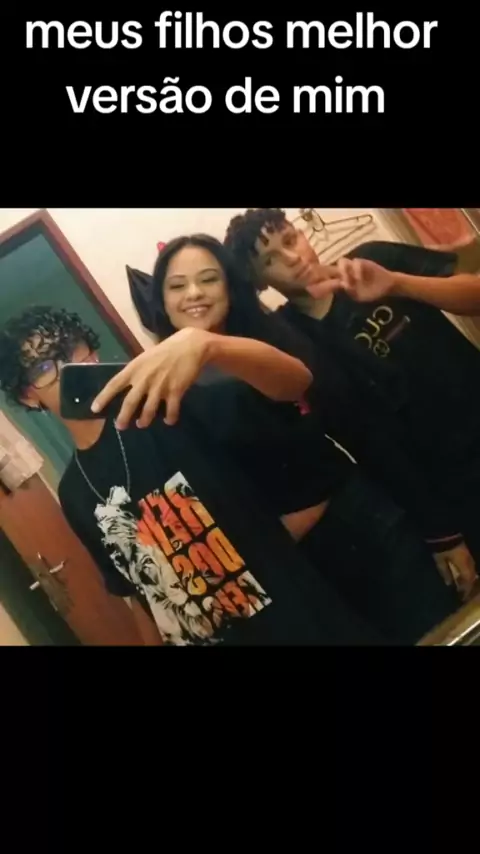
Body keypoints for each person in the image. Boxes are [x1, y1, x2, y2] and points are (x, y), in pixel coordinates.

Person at [93, 235, 462, 644]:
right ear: (161, 301)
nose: (194, 293)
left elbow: (301, 386)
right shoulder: (166, 392)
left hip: (364, 528)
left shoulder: (272, 339)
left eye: (209, 279)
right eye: (177, 285)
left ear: (230, 287)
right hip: (294, 572)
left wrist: (207, 344)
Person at [0, 305, 389, 647]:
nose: (66, 369)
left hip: (300, 625)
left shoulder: (167, 405)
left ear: (92, 350)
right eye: (44, 367)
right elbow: (137, 594)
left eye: (70, 349)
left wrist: (209, 345)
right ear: (27, 395)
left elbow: (296, 385)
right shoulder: (73, 493)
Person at [224, 208, 480, 591]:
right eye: (270, 260)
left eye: (291, 240)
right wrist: (439, 531)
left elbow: (474, 294)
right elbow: (367, 442)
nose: (292, 258)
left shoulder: (372, 259)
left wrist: (397, 284)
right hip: (445, 485)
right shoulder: (288, 342)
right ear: (259, 280)